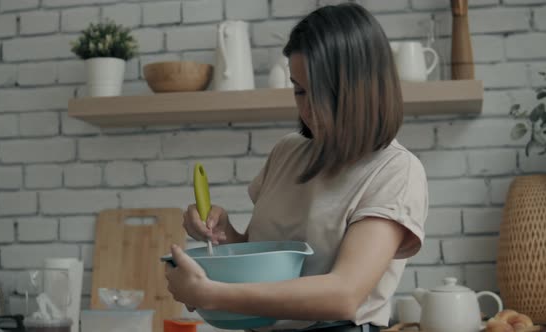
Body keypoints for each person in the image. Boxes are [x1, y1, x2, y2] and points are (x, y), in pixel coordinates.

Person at [165, 3, 428, 332]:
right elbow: (269, 267)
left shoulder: (395, 171)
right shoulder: (288, 152)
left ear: (362, 88)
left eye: (322, 92)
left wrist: (211, 293)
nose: (307, 107)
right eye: (299, 90)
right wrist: (224, 234)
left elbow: (343, 294)